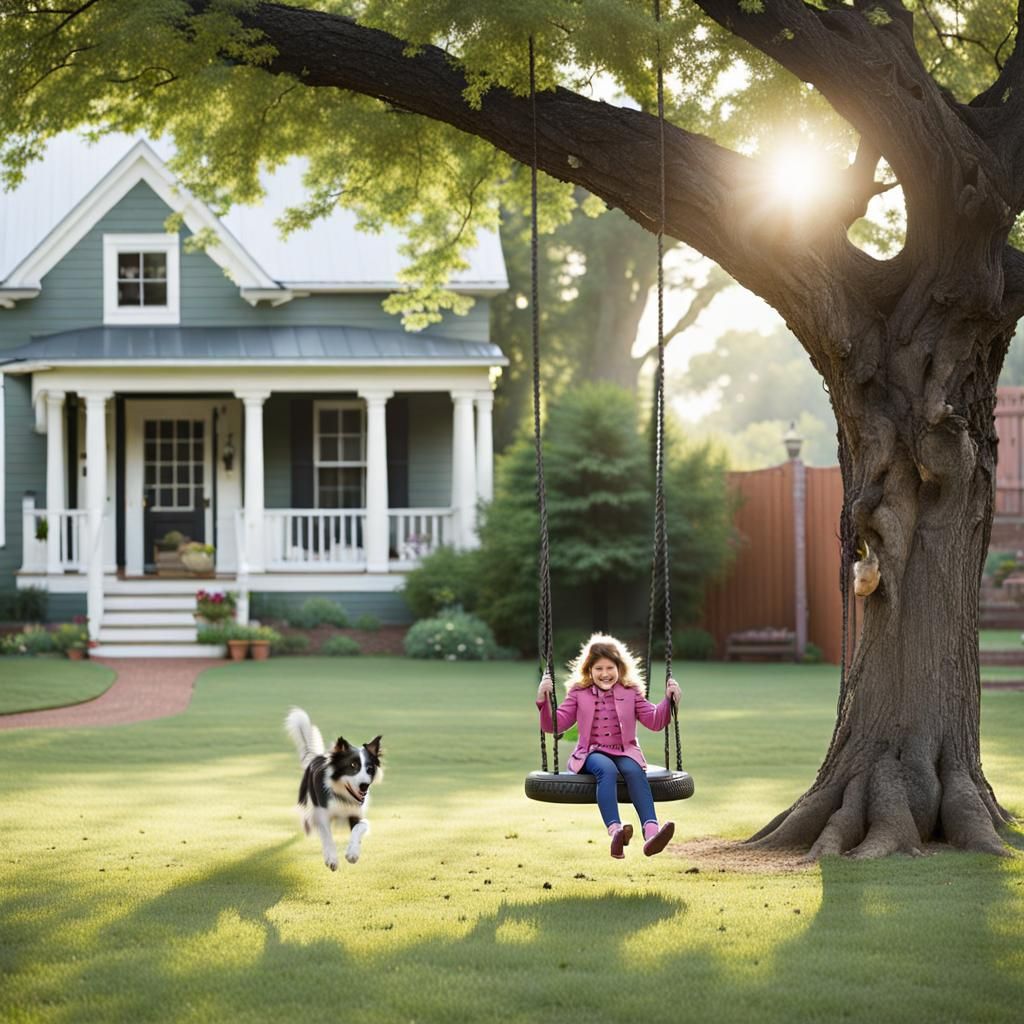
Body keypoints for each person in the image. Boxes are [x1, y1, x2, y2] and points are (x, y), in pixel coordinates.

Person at [536, 633, 681, 859]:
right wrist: (543, 701)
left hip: (624, 750)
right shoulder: (578, 692)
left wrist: (668, 700)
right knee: (607, 769)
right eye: (599, 669)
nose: (605, 674)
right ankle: (616, 831)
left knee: (634, 770)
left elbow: (654, 721)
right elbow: (555, 724)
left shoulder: (631, 691)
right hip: (590, 752)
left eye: (610, 668)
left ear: (619, 668)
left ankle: (652, 834)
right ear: (589, 670)